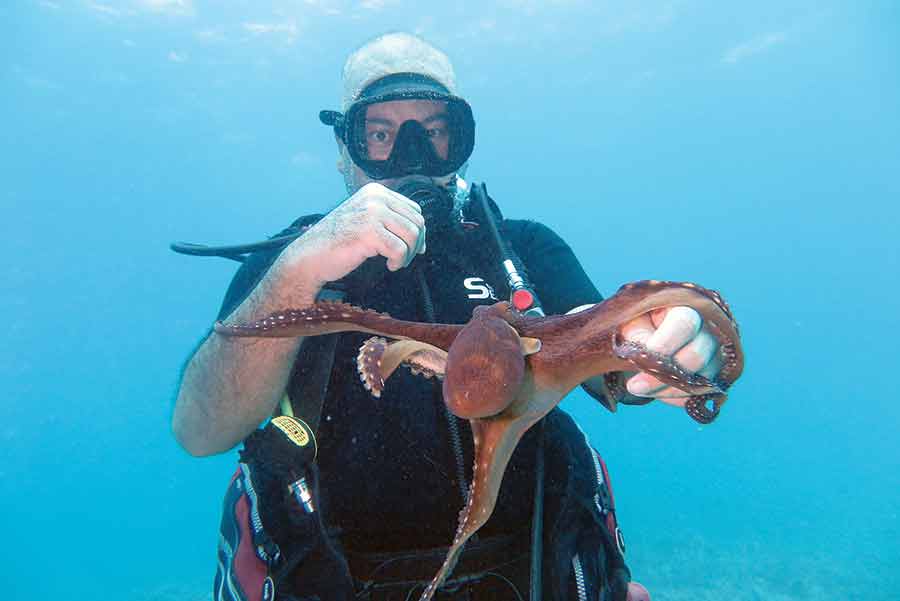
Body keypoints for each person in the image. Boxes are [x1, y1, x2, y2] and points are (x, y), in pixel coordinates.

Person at [173, 33, 719, 601]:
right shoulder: (287, 268)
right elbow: (200, 432)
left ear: (462, 141)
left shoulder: (524, 250)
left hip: (528, 571)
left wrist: (655, 346)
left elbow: (597, 335)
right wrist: (296, 271)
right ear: (345, 149)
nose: (411, 156)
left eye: (434, 133)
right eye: (380, 135)